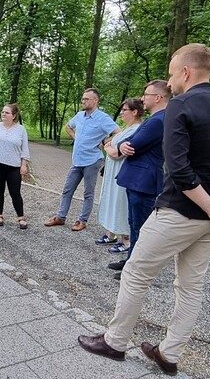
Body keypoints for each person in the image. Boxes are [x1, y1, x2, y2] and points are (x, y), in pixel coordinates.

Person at [78, 43, 210, 376]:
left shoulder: (180, 105)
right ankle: (169, 355)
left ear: (186, 71)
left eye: (172, 73)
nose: (169, 82)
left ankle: (115, 342)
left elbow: (180, 170)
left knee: (136, 273)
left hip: (179, 211)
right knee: (190, 286)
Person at [107, 80, 171, 279]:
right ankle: (130, 261)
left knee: (141, 226)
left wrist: (124, 145)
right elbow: (127, 144)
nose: (143, 99)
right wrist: (124, 145)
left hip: (144, 180)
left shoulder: (158, 120)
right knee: (134, 223)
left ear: (158, 98)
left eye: (146, 95)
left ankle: (136, 269)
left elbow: (134, 144)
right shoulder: (157, 118)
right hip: (137, 179)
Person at [45, 89, 120, 231]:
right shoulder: (79, 116)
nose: (83, 101)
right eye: (82, 99)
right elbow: (68, 126)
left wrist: (104, 142)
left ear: (95, 100)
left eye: (86, 99)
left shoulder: (103, 118)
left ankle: (82, 220)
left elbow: (118, 132)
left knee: (88, 192)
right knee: (67, 190)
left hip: (92, 160)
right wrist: (76, 138)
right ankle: (60, 217)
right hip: (77, 160)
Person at [95, 98, 144, 253]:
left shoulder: (137, 130)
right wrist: (109, 147)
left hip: (123, 173)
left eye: (125, 110)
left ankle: (126, 240)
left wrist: (108, 148)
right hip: (112, 173)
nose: (121, 113)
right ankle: (111, 234)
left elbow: (116, 153)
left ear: (134, 112)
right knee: (111, 201)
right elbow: (110, 145)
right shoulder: (126, 129)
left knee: (121, 203)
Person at [0, 104, 30, 229]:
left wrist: (23, 165)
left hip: (14, 166)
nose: (3, 114)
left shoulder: (20, 130)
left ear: (13, 116)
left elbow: (25, 149)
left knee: (15, 192)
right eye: (2, 112)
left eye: (7, 113)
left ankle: (21, 217)